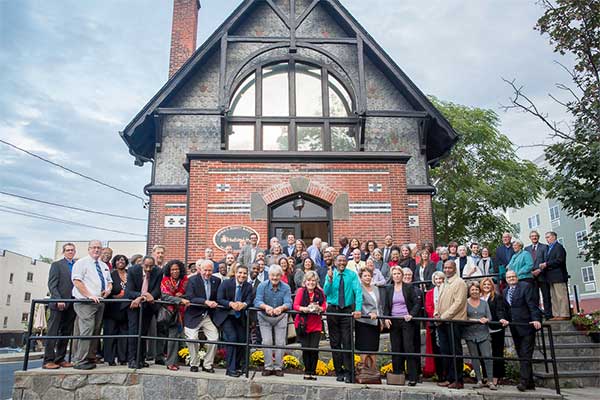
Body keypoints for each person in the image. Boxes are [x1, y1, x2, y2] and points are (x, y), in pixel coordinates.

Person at [71, 240, 112, 370]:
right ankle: (79, 360)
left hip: (100, 301)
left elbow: (109, 281)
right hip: (85, 302)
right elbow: (77, 281)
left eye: (99, 248)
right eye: (94, 247)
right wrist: (89, 295)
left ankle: (89, 357)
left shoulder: (103, 265)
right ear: (89, 249)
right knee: (86, 329)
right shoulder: (81, 263)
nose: (96, 250)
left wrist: (108, 290)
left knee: (95, 330)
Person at [500, 270, 542, 391]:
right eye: (509, 277)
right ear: (506, 279)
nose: (511, 278)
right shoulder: (505, 291)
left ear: (517, 277)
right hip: (514, 327)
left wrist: (536, 319)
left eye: (513, 276)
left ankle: (523, 382)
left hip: (527, 325)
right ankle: (530, 383)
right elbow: (506, 309)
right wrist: (504, 319)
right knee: (521, 354)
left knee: (525, 354)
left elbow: (532, 304)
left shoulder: (525, 286)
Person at [323, 255, 362, 383]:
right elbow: (326, 292)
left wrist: (358, 309)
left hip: (347, 310)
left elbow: (358, 292)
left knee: (347, 341)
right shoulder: (330, 274)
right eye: (339, 261)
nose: (341, 263)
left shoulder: (352, 275)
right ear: (335, 262)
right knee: (335, 342)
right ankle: (339, 372)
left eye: (344, 261)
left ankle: (349, 373)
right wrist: (329, 279)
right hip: (333, 310)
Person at [382, 266, 420, 386]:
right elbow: (386, 306)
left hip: (406, 321)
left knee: (408, 347)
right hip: (394, 321)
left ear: (402, 275)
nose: (397, 275)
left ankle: (412, 376)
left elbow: (417, 303)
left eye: (399, 273)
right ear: (392, 276)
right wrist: (386, 317)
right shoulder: (388, 289)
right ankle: (397, 375)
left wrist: (411, 314)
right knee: (396, 348)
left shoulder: (408, 287)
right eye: (395, 274)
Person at [215, 264, 253, 377]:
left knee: (242, 339)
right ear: (235, 273)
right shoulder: (226, 283)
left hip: (239, 317)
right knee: (232, 338)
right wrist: (231, 304)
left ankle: (237, 367)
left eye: (245, 273)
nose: (242, 275)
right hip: (226, 316)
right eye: (240, 273)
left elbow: (250, 299)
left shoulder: (248, 286)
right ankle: (230, 369)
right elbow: (219, 298)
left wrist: (244, 304)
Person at [254, 264, 293, 377]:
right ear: (269, 275)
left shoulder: (286, 287)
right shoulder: (262, 286)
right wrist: (266, 307)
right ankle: (268, 366)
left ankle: (278, 367)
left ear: (281, 276)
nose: (274, 278)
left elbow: (288, 303)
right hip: (264, 316)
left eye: (277, 275)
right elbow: (257, 301)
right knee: (267, 341)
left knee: (280, 342)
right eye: (272, 275)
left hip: (280, 316)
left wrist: (281, 308)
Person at [434, 260, 467, 389]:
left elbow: (458, 303)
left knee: (455, 351)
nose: (447, 270)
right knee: (445, 351)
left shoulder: (460, 283)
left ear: (454, 268)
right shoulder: (444, 283)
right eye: (445, 267)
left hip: (454, 321)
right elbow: (439, 300)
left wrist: (444, 316)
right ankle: (449, 378)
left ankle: (458, 380)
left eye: (449, 267)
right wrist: (437, 313)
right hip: (442, 322)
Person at [44, 243, 77, 369]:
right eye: (68, 250)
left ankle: (60, 358)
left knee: (66, 332)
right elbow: (52, 284)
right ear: (63, 252)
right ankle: (48, 360)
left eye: (72, 250)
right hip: (58, 303)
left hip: (72, 303)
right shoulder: (57, 265)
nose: (70, 252)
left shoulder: (76, 265)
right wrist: (58, 299)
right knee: (53, 331)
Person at [184, 259, 220, 373]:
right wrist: (205, 302)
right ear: (200, 270)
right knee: (192, 338)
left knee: (214, 338)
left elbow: (218, 297)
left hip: (208, 315)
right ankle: (194, 363)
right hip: (194, 314)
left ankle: (207, 365)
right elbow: (190, 297)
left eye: (210, 270)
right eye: (205, 270)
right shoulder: (192, 280)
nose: (207, 273)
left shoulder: (217, 280)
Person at [125, 255, 161, 369]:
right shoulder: (132, 270)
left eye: (151, 266)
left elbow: (156, 291)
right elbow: (129, 291)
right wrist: (141, 296)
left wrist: (142, 298)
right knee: (134, 332)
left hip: (148, 306)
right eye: (146, 266)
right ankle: (132, 359)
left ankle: (141, 359)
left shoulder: (158, 272)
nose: (149, 269)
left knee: (143, 333)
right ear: (142, 264)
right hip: (133, 306)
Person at [293, 271, 327, 380]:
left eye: (313, 280)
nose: (311, 283)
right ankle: (307, 371)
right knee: (306, 349)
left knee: (314, 348)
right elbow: (295, 306)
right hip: (303, 324)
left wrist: (320, 309)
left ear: (316, 281)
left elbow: (324, 304)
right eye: (309, 280)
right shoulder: (301, 291)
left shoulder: (320, 292)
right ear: (305, 281)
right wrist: (305, 309)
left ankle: (313, 371)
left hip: (316, 324)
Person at [464, 282, 496, 390]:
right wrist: (477, 320)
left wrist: (486, 319)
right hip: (470, 333)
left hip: (483, 332)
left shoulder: (484, 303)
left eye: (476, 290)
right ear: (469, 291)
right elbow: (464, 317)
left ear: (479, 291)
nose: (474, 292)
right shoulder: (465, 303)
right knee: (475, 357)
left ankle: (490, 381)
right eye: (472, 290)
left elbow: (489, 317)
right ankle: (479, 380)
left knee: (487, 356)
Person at [159, 260, 189, 371]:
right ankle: (169, 362)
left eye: (177, 269)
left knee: (176, 337)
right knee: (170, 337)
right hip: (169, 313)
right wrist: (180, 299)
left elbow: (189, 294)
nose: (175, 271)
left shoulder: (186, 280)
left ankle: (175, 362)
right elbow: (165, 297)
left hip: (182, 313)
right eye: (172, 269)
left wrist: (183, 296)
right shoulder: (165, 280)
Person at [103, 254, 129, 366]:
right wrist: (118, 296)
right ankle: (110, 359)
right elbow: (107, 291)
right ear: (115, 262)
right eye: (118, 260)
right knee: (111, 334)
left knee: (124, 335)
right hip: (112, 308)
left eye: (123, 260)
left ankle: (123, 358)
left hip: (126, 309)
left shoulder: (129, 274)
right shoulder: (111, 274)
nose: (121, 261)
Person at [480, 277, 506, 386]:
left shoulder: (497, 297)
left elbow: (500, 310)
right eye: (484, 284)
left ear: (492, 286)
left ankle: (496, 377)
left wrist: (501, 319)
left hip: (495, 328)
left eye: (488, 284)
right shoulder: (478, 297)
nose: (486, 286)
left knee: (497, 353)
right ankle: (486, 376)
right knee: (483, 354)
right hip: (482, 329)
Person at [540, 231, 569, 320]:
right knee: (554, 296)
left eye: (548, 237)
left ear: (554, 237)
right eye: (546, 237)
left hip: (559, 275)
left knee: (561, 296)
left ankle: (564, 314)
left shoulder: (559, 247)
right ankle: (556, 314)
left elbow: (560, 260)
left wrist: (546, 264)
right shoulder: (550, 248)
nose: (547, 239)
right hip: (551, 277)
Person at [355, 269, 383, 364]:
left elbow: (379, 306)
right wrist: (368, 314)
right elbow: (359, 304)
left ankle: (373, 373)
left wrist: (381, 320)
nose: (367, 277)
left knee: (373, 350)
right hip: (364, 322)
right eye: (365, 276)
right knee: (364, 349)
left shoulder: (375, 288)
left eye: (369, 275)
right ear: (361, 277)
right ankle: (364, 373)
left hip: (375, 322)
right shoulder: (359, 288)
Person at [402, 267, 424, 382]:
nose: (407, 277)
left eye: (409, 275)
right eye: (405, 275)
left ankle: (417, 373)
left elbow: (419, 305)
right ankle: (402, 372)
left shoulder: (417, 290)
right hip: (401, 323)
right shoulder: (397, 289)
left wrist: (412, 315)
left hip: (414, 322)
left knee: (415, 347)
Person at [424, 271, 446, 381]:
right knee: (435, 349)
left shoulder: (448, 291)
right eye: (436, 279)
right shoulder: (430, 293)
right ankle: (440, 374)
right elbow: (428, 307)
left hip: (445, 320)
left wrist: (443, 315)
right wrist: (435, 315)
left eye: (440, 279)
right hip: (433, 322)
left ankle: (447, 373)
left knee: (445, 348)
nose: (438, 281)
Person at [525, 230, 551, 319]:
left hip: (542, 275)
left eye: (535, 236)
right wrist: (530, 272)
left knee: (546, 296)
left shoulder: (544, 247)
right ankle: (537, 315)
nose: (534, 237)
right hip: (531, 276)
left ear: (538, 237)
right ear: (530, 238)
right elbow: (526, 262)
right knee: (534, 297)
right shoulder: (526, 249)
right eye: (532, 236)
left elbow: (546, 260)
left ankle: (548, 314)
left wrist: (540, 270)